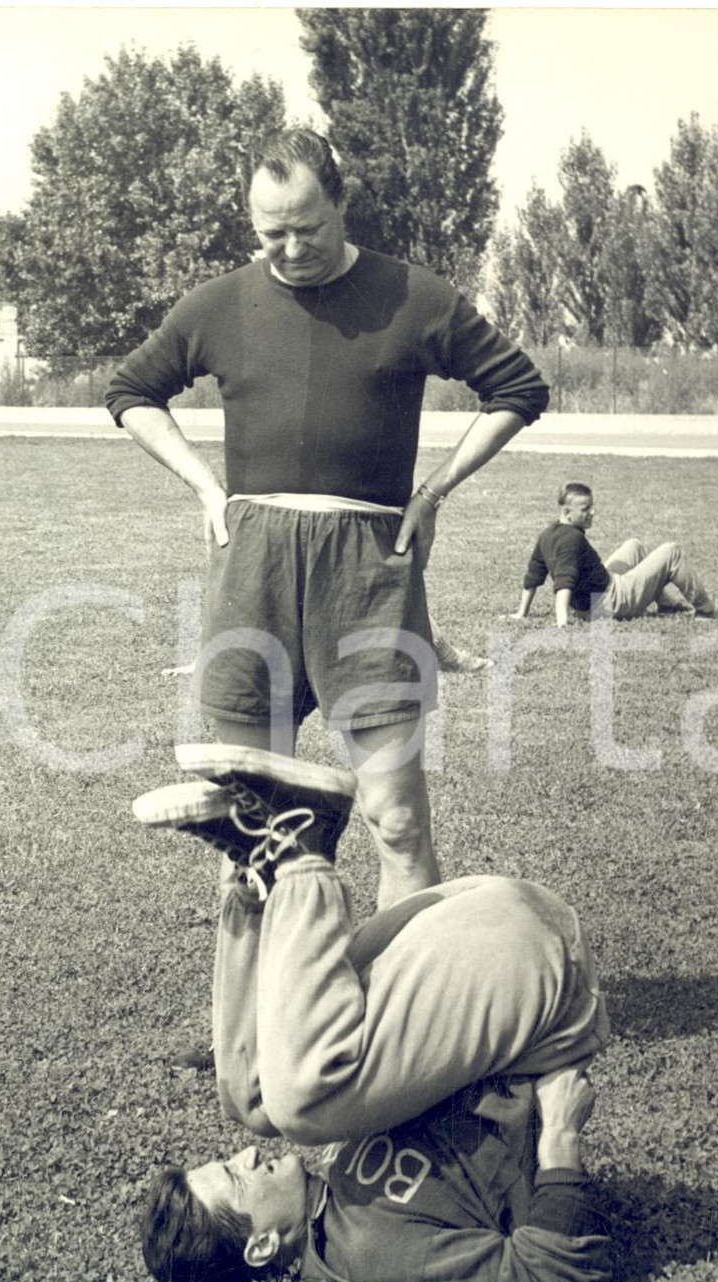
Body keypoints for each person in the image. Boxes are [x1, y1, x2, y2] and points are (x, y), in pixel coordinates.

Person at [106, 128, 549, 907]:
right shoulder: (219, 303)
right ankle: (259, 1027)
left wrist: (432, 491)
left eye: (306, 228)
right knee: (248, 830)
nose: (289, 248)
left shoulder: (413, 295)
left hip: (368, 570)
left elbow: (517, 388)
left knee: (399, 820)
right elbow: (131, 392)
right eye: (270, 232)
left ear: (341, 204)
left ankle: (409, 1017)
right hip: (254, 568)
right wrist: (208, 489)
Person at [132, 747, 611, 1282]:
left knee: (250, 1099)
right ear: (261, 1246)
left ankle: (256, 882)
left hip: (485, 931)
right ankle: (301, 858)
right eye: (238, 1178)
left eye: (229, 1161)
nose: (246, 1157)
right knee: (300, 1107)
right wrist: (561, 1137)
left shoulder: (335, 1200)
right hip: (543, 990)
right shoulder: (374, 1255)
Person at [508, 482, 716, 626]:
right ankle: (706, 610)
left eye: (592, 506)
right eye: (585, 508)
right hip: (609, 603)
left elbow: (533, 577)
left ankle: (667, 605)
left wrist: (521, 613)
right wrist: (561, 622)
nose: (592, 512)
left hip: (592, 600)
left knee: (634, 545)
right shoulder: (572, 539)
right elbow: (564, 582)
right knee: (672, 552)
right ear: (566, 512)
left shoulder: (547, 534)